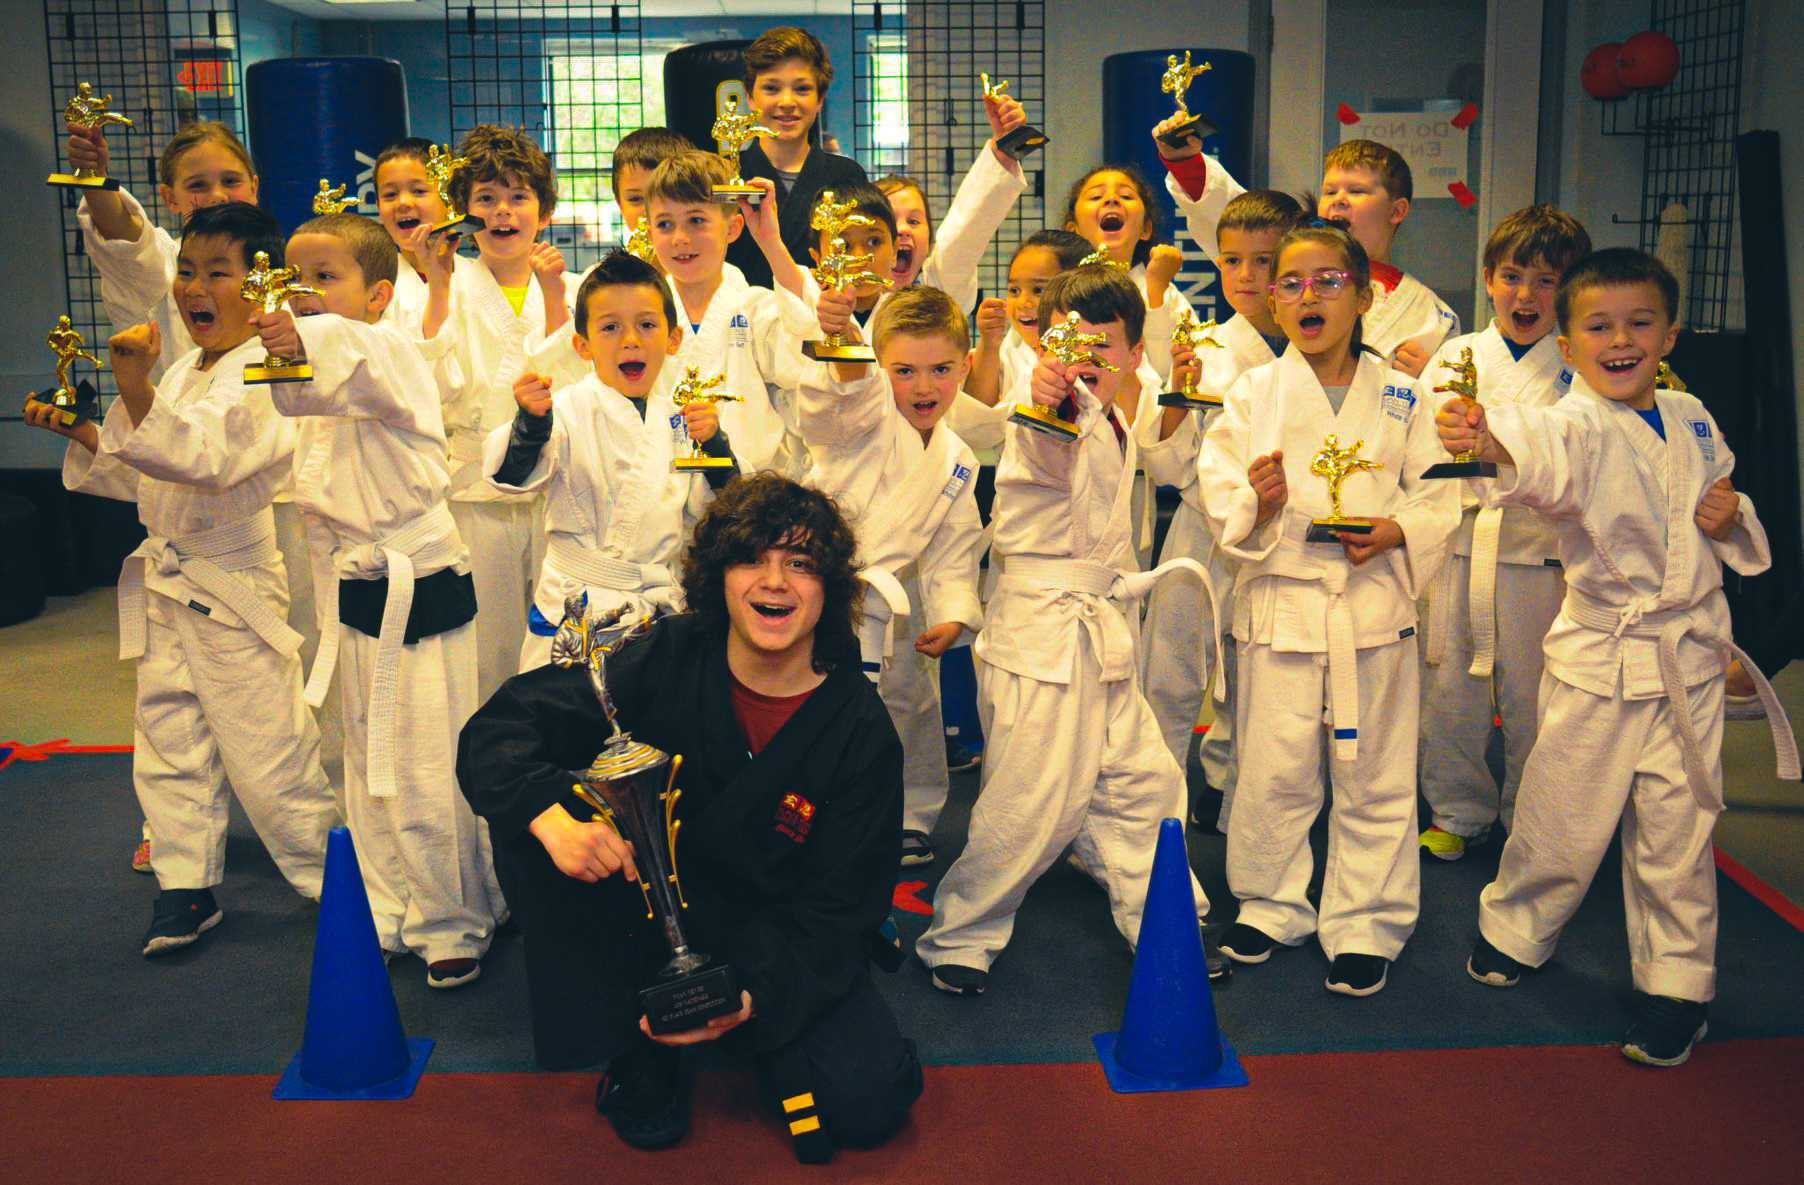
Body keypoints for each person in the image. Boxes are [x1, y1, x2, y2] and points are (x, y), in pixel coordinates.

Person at [456, 473, 921, 1162]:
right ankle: (635, 1035)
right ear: (718, 578)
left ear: (829, 588)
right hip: (646, 918)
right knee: (536, 822)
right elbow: (501, 729)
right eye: (751, 559)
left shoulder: (859, 727)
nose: (776, 582)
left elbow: (843, 907)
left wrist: (754, 995)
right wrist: (546, 814)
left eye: (801, 563)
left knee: (870, 1100)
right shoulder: (666, 658)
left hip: (775, 935)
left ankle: (744, 1025)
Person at [1447, 248, 1798, 1067]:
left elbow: (1724, 503)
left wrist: (1728, 511)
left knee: (1679, 830)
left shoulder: (1694, 415)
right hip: (1603, 657)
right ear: (1567, 347)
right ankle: (1517, 927)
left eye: (1640, 323)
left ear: (1669, 334)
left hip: (1688, 655)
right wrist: (1490, 434)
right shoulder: (1572, 423)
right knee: (1563, 816)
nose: (1620, 339)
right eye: (1598, 326)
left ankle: (1677, 985)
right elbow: (1540, 454)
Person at [25, 202, 337, 956]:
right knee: (169, 740)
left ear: (262, 288)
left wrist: (133, 384)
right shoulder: (190, 370)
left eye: (218, 273)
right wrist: (90, 433)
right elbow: (149, 479)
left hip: (230, 584)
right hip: (168, 578)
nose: (196, 286)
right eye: (188, 271)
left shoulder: (267, 370)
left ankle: (340, 884)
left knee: (267, 750)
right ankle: (185, 884)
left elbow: (204, 460)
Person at [915, 264, 1214, 996]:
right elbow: (1045, 440)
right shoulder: (1048, 414)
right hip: (1045, 640)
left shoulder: (1118, 422)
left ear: (1136, 353)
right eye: (1070, 346)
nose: (1088, 362)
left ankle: (1165, 918)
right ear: (1048, 349)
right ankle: (963, 932)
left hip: (1101, 631)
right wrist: (1046, 397)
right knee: (1030, 800)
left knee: (1144, 784)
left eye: (1105, 345)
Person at [1195, 221, 1458, 997]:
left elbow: (1440, 489)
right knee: (1272, 767)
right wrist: (1261, 503)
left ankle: (1368, 918)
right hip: (1281, 604)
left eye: (1328, 281)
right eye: (1291, 283)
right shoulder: (1250, 393)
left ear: (1364, 295)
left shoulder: (1408, 396)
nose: (1308, 295)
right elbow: (1220, 487)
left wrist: (1399, 529)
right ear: (1273, 303)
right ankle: (1271, 901)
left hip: (1371, 608)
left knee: (1375, 773)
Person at [259, 210, 506, 987]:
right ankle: (386, 902)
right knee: (365, 756)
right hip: (355, 583)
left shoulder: (388, 351)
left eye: (325, 279)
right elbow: (298, 396)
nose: (304, 296)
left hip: (419, 584)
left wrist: (306, 332)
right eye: (294, 280)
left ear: (378, 295)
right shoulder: (323, 374)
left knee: (429, 758)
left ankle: (455, 917)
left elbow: (347, 355)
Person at [1416, 205, 1591, 862]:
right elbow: (1422, 442)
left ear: (1571, 289)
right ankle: (1458, 809)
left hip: (1542, 556)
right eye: (1512, 276)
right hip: (1461, 547)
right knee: (1451, 689)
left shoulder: (1581, 363)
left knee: (1535, 696)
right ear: (1488, 278)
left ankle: (1531, 818)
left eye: (1546, 281)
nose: (1525, 294)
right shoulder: (1457, 355)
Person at [1136, 189, 1305, 832]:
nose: (1245, 278)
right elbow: (1171, 465)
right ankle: (1153, 811)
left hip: (1280, 538)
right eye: (1231, 262)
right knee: (1171, 678)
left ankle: (1240, 806)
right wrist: (1176, 397)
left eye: (1263, 263)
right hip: (1200, 532)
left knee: (1260, 684)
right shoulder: (1202, 344)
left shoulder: (1319, 352)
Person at [801, 284, 983, 866]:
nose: (924, 387)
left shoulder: (959, 456)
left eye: (941, 369)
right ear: (880, 370)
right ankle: (817, 815)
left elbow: (956, 543)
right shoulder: (866, 414)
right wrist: (844, 343)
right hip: (824, 592)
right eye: (903, 370)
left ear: (966, 365)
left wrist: (955, 610)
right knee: (820, 709)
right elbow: (840, 401)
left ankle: (911, 813)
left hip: (896, 599)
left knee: (911, 705)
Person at [487, 250, 738, 669]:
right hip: (575, 603)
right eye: (610, 328)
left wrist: (716, 446)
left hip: (656, 608)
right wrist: (531, 423)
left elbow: (719, 508)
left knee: (646, 731)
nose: (630, 340)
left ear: (673, 338)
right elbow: (513, 476)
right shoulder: (565, 408)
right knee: (565, 723)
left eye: (646, 324)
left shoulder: (682, 418)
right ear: (582, 345)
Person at [424, 123, 582, 703]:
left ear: (543, 212)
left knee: (558, 647)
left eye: (518, 197)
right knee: (485, 653)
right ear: (465, 213)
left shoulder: (571, 284)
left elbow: (582, 384)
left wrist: (556, 295)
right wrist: (438, 291)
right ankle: (486, 783)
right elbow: (433, 385)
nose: (502, 212)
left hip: (554, 492)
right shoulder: (448, 283)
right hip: (473, 494)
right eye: (486, 199)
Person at [1157, 127, 1458, 377]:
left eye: (1356, 191)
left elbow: (1450, 400)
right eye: (1330, 191)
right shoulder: (1292, 252)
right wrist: (1187, 165)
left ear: (1397, 210)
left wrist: (1429, 378)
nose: (1339, 200)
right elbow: (1241, 224)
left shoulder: (1430, 313)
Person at [723, 26, 870, 290]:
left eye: (802, 89)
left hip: (821, 323)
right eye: (772, 88)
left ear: (820, 100)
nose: (787, 101)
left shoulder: (847, 176)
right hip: (742, 326)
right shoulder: (724, 175)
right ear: (750, 98)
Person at [875, 82, 1031, 308]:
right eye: (889, 221)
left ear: (929, 241)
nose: (902, 230)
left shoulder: (939, 286)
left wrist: (1007, 143)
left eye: (914, 221)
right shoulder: (846, 298)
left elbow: (968, 227)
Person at [1062, 162, 1193, 381]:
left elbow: (1172, 378)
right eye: (1095, 197)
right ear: (1072, 229)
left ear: (1145, 229)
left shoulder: (1168, 296)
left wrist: (1156, 293)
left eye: (1126, 196)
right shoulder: (1057, 292)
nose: (1112, 199)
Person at [371, 136, 457, 334]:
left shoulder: (476, 276)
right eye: (390, 195)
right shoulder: (370, 283)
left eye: (418, 191)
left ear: (449, 198)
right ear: (378, 206)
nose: (403, 202)